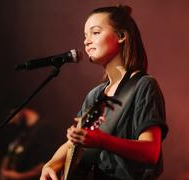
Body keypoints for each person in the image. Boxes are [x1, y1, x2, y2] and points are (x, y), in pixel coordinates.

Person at [40, 4, 168, 180]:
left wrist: (102, 141)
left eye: (95, 32)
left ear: (121, 36)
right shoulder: (95, 94)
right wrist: (51, 164)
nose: (86, 41)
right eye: (85, 36)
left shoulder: (144, 85)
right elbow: (75, 141)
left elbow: (150, 151)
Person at [0, 108, 57, 180]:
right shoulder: (21, 129)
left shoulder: (44, 128)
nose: (11, 121)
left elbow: (46, 163)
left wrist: (19, 177)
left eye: (10, 115)